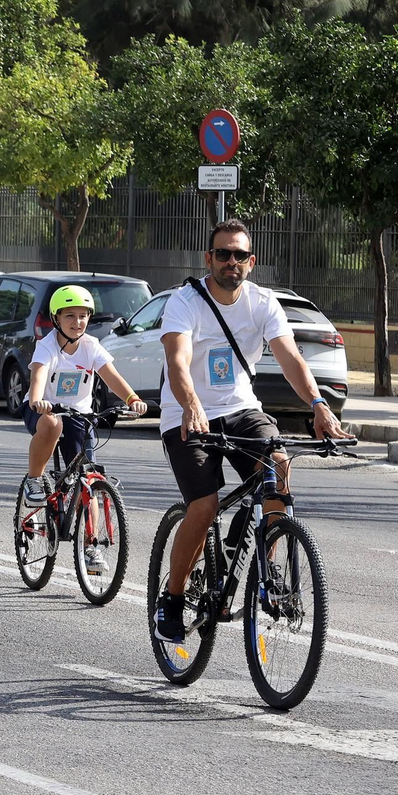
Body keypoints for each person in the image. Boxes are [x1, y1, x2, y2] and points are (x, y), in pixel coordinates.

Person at [152, 219, 351, 642]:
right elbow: (178, 360)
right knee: (203, 508)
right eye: (222, 254)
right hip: (186, 414)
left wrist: (318, 405)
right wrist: (190, 404)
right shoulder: (185, 302)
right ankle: (171, 599)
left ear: (251, 261)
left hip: (242, 408)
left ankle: (267, 560)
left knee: (277, 465)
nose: (231, 262)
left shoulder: (263, 303)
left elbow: (290, 358)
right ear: (209, 259)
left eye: (239, 255)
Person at [21, 285, 148, 572]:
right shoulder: (48, 345)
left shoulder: (91, 345)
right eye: (70, 316)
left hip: (80, 416)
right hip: (44, 411)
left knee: (88, 478)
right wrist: (39, 399)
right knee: (52, 424)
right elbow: (39, 373)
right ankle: (33, 478)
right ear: (56, 318)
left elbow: (111, 376)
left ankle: (92, 548)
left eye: (83, 316)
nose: (77, 322)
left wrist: (132, 398)